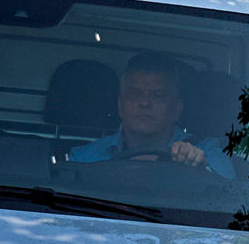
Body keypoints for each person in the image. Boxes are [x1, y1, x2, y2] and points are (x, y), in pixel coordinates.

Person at [67, 52, 238, 176]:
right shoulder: (84, 159)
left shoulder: (208, 154)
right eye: (134, 94)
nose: (144, 103)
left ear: (177, 109)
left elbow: (227, 201)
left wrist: (202, 170)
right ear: (120, 105)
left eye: (158, 95)